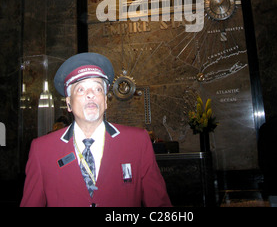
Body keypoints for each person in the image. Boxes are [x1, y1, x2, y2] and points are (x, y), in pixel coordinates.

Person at [20, 52, 171, 207]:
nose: (91, 94)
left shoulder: (137, 142)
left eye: (98, 89)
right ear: (69, 104)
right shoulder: (42, 150)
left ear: (105, 101)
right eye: (81, 89)